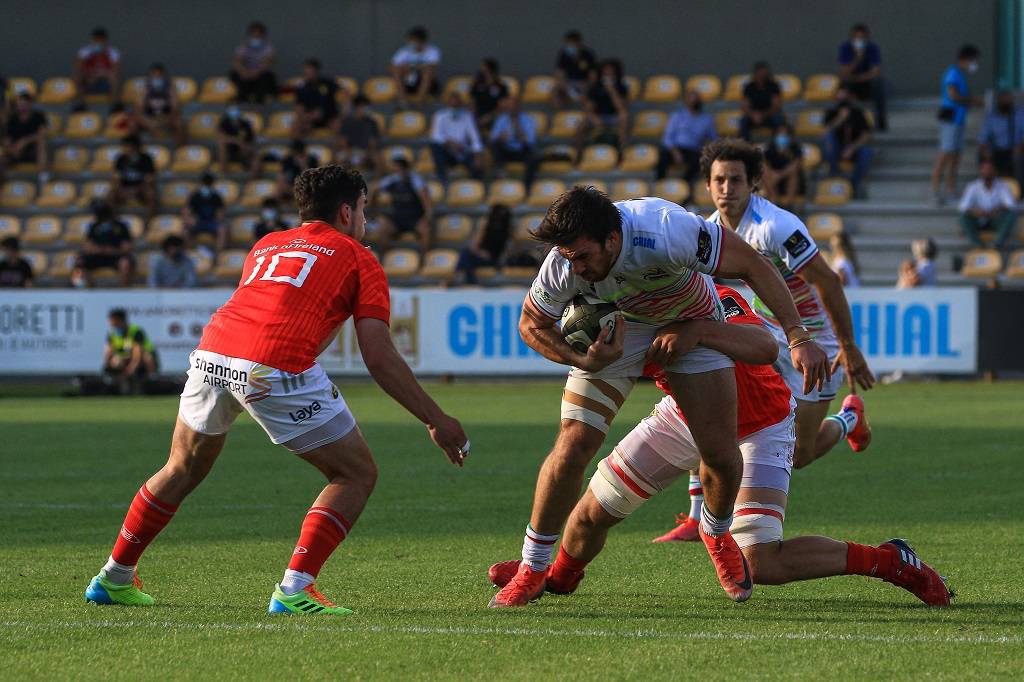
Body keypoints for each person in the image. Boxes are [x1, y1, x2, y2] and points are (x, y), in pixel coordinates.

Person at [83, 164, 469, 616]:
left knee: (181, 467)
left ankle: (113, 576)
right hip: (271, 364)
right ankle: (295, 588)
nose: (365, 220)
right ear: (347, 211)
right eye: (364, 209)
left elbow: (277, 309)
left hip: (212, 353)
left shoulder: (267, 243)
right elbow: (378, 356)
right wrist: (435, 419)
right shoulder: (359, 257)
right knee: (355, 474)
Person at [489, 285, 950, 607]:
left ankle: (889, 561)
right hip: (683, 418)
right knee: (591, 511)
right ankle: (556, 577)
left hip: (760, 425)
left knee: (761, 560)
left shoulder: (712, 298)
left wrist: (699, 333)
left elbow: (760, 345)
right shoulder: (623, 315)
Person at [487, 186, 830, 608]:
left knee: (721, 456)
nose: (574, 266)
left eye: (583, 256)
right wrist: (583, 357)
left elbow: (753, 265)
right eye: (567, 256)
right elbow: (531, 324)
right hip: (621, 331)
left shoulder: (667, 230)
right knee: (573, 442)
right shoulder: (563, 263)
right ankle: (532, 566)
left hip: (690, 319)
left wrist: (797, 335)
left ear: (613, 240)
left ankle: (716, 531)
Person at [704, 138, 874, 471]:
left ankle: (850, 418)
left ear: (753, 182)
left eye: (736, 179)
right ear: (708, 185)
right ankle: (701, 517)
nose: (727, 188)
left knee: (799, 455)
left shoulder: (776, 227)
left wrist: (847, 345)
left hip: (813, 337)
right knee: (715, 412)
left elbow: (827, 281)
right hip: (764, 330)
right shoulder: (709, 231)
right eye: (719, 180)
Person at [930, 45, 984, 205]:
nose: (974, 64)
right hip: (951, 120)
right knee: (945, 154)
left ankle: (951, 189)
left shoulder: (960, 74)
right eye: (973, 60)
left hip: (959, 120)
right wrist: (973, 100)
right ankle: (934, 190)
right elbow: (953, 95)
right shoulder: (953, 73)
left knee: (956, 156)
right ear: (965, 59)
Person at [656, 91, 717, 188]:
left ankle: (684, 185)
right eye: (691, 99)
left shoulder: (706, 119)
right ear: (686, 102)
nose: (694, 102)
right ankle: (659, 186)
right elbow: (667, 138)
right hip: (676, 149)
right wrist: (675, 153)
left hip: (693, 150)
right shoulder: (677, 116)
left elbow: (714, 138)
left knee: (700, 161)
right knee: (662, 157)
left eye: (696, 100)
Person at [371, 157, 433, 253]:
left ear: (406, 169)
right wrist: (375, 210)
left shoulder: (416, 180)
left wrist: (427, 217)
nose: (397, 171)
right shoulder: (392, 179)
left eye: (398, 169)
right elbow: (375, 190)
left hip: (415, 217)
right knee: (383, 228)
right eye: (395, 169)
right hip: (398, 217)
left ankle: (423, 259)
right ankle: (382, 259)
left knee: (425, 230)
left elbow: (426, 201)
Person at [72, 201, 135, 288]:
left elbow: (127, 247)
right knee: (79, 261)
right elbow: (87, 246)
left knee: (125, 263)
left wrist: (112, 251)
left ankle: (123, 290)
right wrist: (100, 250)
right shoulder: (94, 226)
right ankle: (86, 289)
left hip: (116, 256)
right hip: (97, 256)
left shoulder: (121, 226)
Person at [823, 86, 873, 195]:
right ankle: (834, 174)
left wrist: (852, 148)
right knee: (829, 138)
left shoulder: (858, 113)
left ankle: (853, 185)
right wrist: (840, 119)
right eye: (840, 93)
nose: (842, 96)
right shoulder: (831, 112)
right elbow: (826, 131)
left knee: (867, 152)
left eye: (845, 94)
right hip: (837, 147)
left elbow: (865, 134)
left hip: (853, 147)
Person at [837, 23, 887, 131]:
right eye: (856, 38)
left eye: (861, 38)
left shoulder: (872, 48)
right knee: (842, 88)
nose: (858, 41)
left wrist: (859, 78)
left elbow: (875, 71)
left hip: (866, 82)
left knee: (879, 84)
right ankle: (843, 123)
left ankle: (880, 121)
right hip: (851, 83)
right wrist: (857, 59)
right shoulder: (845, 48)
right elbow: (844, 72)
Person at [958, 159, 1017, 249]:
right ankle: (978, 244)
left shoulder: (1002, 185)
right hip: (978, 219)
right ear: (980, 171)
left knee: (1011, 215)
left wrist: (997, 210)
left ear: (994, 171)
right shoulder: (973, 186)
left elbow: (1010, 204)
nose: (987, 172)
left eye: (990, 169)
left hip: (995, 219)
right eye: (984, 169)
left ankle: (997, 243)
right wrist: (976, 211)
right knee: (963, 217)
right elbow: (963, 206)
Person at [429, 92, 484, 184]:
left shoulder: (467, 116)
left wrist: (477, 154)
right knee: (435, 145)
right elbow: (436, 135)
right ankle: (442, 178)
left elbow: (475, 137)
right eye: (452, 103)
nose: (454, 106)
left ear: (460, 103)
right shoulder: (440, 115)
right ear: (448, 103)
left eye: (456, 103)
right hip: (447, 151)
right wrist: (451, 143)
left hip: (463, 150)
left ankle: (475, 185)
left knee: (477, 165)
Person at [577, 58, 629, 153]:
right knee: (581, 125)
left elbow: (621, 107)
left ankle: (622, 151)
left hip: (614, 116)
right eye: (605, 70)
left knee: (624, 116)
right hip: (599, 116)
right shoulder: (595, 87)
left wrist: (611, 90)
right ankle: (579, 153)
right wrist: (594, 118)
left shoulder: (622, 87)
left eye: (610, 70)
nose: (608, 72)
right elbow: (589, 107)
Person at [452, 203, 512, 285]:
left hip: (495, 260)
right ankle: (465, 278)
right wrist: (481, 253)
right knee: (467, 257)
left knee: (465, 255)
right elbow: (474, 247)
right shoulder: (487, 227)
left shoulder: (507, 230)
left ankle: (462, 278)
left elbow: (512, 249)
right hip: (485, 257)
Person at [102, 308, 159, 395]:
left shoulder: (135, 331)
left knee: (147, 357)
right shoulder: (112, 333)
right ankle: (118, 385)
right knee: (116, 361)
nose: (110, 323)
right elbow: (108, 351)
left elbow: (138, 354)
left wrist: (131, 369)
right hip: (125, 358)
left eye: (112, 320)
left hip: (140, 359)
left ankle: (151, 382)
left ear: (119, 320)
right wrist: (107, 366)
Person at [489, 95, 539, 188]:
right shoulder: (501, 119)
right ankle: (500, 171)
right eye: (509, 106)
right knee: (494, 145)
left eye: (513, 106)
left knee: (534, 156)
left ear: (518, 106)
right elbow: (492, 137)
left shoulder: (528, 119)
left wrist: (517, 126)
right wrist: (500, 137)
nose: (511, 108)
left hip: (521, 150)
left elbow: (531, 141)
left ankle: (528, 186)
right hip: (506, 150)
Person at [131, 63, 185, 146]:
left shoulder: (170, 87)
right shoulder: (146, 87)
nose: (156, 78)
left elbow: (176, 107)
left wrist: (166, 119)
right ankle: (136, 148)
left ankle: (179, 150)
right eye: (153, 75)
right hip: (149, 118)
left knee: (179, 123)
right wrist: (149, 122)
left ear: (163, 76)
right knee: (133, 123)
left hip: (166, 117)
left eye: (159, 75)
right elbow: (138, 108)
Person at [291, 59, 341, 141]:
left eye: (309, 70)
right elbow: (298, 108)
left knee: (339, 125)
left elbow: (343, 93)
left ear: (316, 71)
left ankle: (337, 151)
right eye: (305, 70)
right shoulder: (302, 88)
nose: (306, 72)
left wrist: (340, 115)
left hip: (329, 117)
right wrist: (307, 116)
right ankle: (298, 151)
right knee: (296, 126)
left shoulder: (328, 83)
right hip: (311, 119)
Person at [390, 26, 441, 105]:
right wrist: (406, 69)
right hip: (409, 80)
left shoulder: (432, 51)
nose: (411, 42)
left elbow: (431, 67)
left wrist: (412, 67)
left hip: (428, 84)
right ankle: (402, 101)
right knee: (397, 71)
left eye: (413, 40)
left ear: (421, 40)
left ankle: (419, 101)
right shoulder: (404, 51)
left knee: (427, 72)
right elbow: (393, 67)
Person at [110, 135, 158, 219]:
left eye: (126, 146)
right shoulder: (121, 159)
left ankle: (151, 221)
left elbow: (150, 179)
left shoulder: (146, 159)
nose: (124, 148)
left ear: (134, 147)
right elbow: (115, 178)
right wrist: (121, 189)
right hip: (125, 189)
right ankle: (114, 220)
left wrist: (136, 189)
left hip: (141, 189)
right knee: (110, 195)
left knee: (151, 194)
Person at [3, 93, 48, 179]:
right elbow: (7, 139)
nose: (22, 107)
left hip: (32, 149)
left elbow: (43, 134)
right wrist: (10, 147)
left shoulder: (38, 117)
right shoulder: (12, 118)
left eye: (24, 104)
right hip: (16, 150)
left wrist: (24, 142)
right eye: (19, 104)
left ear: (30, 104)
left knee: (42, 144)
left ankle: (42, 177)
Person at [73, 27, 121, 108]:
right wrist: (89, 76)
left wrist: (99, 75)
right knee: (78, 77)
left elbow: (115, 71)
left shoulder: (113, 53)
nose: (99, 43)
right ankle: (81, 104)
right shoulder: (84, 52)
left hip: (104, 83)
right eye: (96, 40)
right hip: (88, 82)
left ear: (105, 40)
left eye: (101, 40)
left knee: (113, 77)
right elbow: (78, 69)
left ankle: (114, 104)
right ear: (92, 40)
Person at [230, 21, 277, 104]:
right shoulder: (243, 47)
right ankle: (241, 99)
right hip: (246, 74)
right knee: (234, 74)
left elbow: (266, 64)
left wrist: (255, 73)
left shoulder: (268, 48)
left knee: (266, 76)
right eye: (253, 35)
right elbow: (237, 62)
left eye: (258, 36)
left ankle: (259, 101)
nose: (255, 38)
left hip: (259, 75)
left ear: (262, 36)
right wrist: (243, 72)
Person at [761, 123, 805, 210]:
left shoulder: (795, 148)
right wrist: (772, 173)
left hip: (790, 182)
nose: (782, 136)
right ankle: (774, 202)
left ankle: (789, 204)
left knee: (793, 174)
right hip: (774, 180)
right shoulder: (770, 147)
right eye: (780, 134)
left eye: (785, 134)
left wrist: (779, 175)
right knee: (765, 174)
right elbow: (763, 163)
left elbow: (796, 165)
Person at [977, 91, 1020, 177]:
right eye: (1004, 100)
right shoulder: (991, 117)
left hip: (1015, 149)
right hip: (996, 150)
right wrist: (985, 149)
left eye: (1009, 100)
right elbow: (983, 138)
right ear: (999, 101)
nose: (1007, 102)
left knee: (1019, 159)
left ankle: (1018, 187)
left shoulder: (1019, 115)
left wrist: (1020, 146)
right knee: (984, 156)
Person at [739, 61, 785, 141]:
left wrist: (763, 115)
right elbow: (744, 105)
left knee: (779, 120)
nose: (762, 75)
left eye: (764, 73)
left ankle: (776, 147)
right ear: (756, 73)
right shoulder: (749, 87)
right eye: (760, 73)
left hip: (769, 114)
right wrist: (753, 115)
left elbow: (776, 106)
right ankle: (745, 147)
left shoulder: (773, 86)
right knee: (743, 122)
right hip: (753, 116)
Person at [183, 173, 227, 253]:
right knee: (185, 230)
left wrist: (217, 220)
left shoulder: (216, 197)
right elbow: (187, 211)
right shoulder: (195, 196)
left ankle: (219, 253)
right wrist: (189, 219)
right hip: (198, 221)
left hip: (212, 222)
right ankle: (189, 251)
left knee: (222, 230)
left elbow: (220, 214)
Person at [552, 30, 597, 108]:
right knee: (556, 89)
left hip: (584, 82)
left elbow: (593, 74)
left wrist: (588, 83)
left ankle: (585, 108)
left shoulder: (588, 54)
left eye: (571, 43)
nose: (568, 45)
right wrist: (562, 82)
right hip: (569, 82)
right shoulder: (563, 54)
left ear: (578, 43)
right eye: (567, 43)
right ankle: (559, 112)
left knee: (589, 90)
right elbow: (559, 71)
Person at [338, 95, 381, 172]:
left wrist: (366, 154)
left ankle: (376, 182)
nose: (366, 109)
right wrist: (349, 154)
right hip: (349, 151)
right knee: (339, 158)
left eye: (367, 106)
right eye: (364, 106)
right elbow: (343, 140)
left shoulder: (372, 122)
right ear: (357, 108)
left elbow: (373, 142)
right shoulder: (347, 122)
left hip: (365, 151)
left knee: (378, 158)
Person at [470, 58, 509, 132]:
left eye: (483, 66)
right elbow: (472, 103)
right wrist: (474, 117)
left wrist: (489, 117)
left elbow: (502, 106)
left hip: (493, 116)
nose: (481, 68)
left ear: (489, 68)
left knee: (500, 121)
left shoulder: (501, 86)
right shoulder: (477, 85)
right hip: (478, 115)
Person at [217, 104, 256, 174]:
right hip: (230, 149)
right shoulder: (224, 123)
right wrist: (237, 141)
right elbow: (222, 138)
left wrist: (243, 145)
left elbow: (251, 142)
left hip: (243, 148)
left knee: (250, 151)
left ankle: (247, 169)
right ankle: (224, 173)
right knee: (222, 146)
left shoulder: (246, 124)